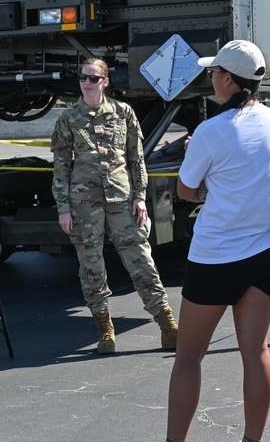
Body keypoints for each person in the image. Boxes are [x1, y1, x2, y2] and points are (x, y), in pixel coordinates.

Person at [136, 40, 270, 442]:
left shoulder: (210, 131)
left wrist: (208, 190)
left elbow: (185, 190)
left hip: (216, 255)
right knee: (255, 350)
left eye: (213, 73)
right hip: (267, 250)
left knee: (188, 357)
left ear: (226, 79)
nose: (211, 80)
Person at [50, 58, 178, 354]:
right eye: (82, 77)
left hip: (122, 199)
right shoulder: (68, 118)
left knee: (141, 261)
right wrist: (63, 208)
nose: (86, 82)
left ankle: (168, 326)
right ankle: (105, 330)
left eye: (93, 78)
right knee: (91, 267)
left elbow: (136, 158)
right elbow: (61, 166)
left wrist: (140, 196)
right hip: (83, 205)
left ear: (105, 82)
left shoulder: (123, 113)